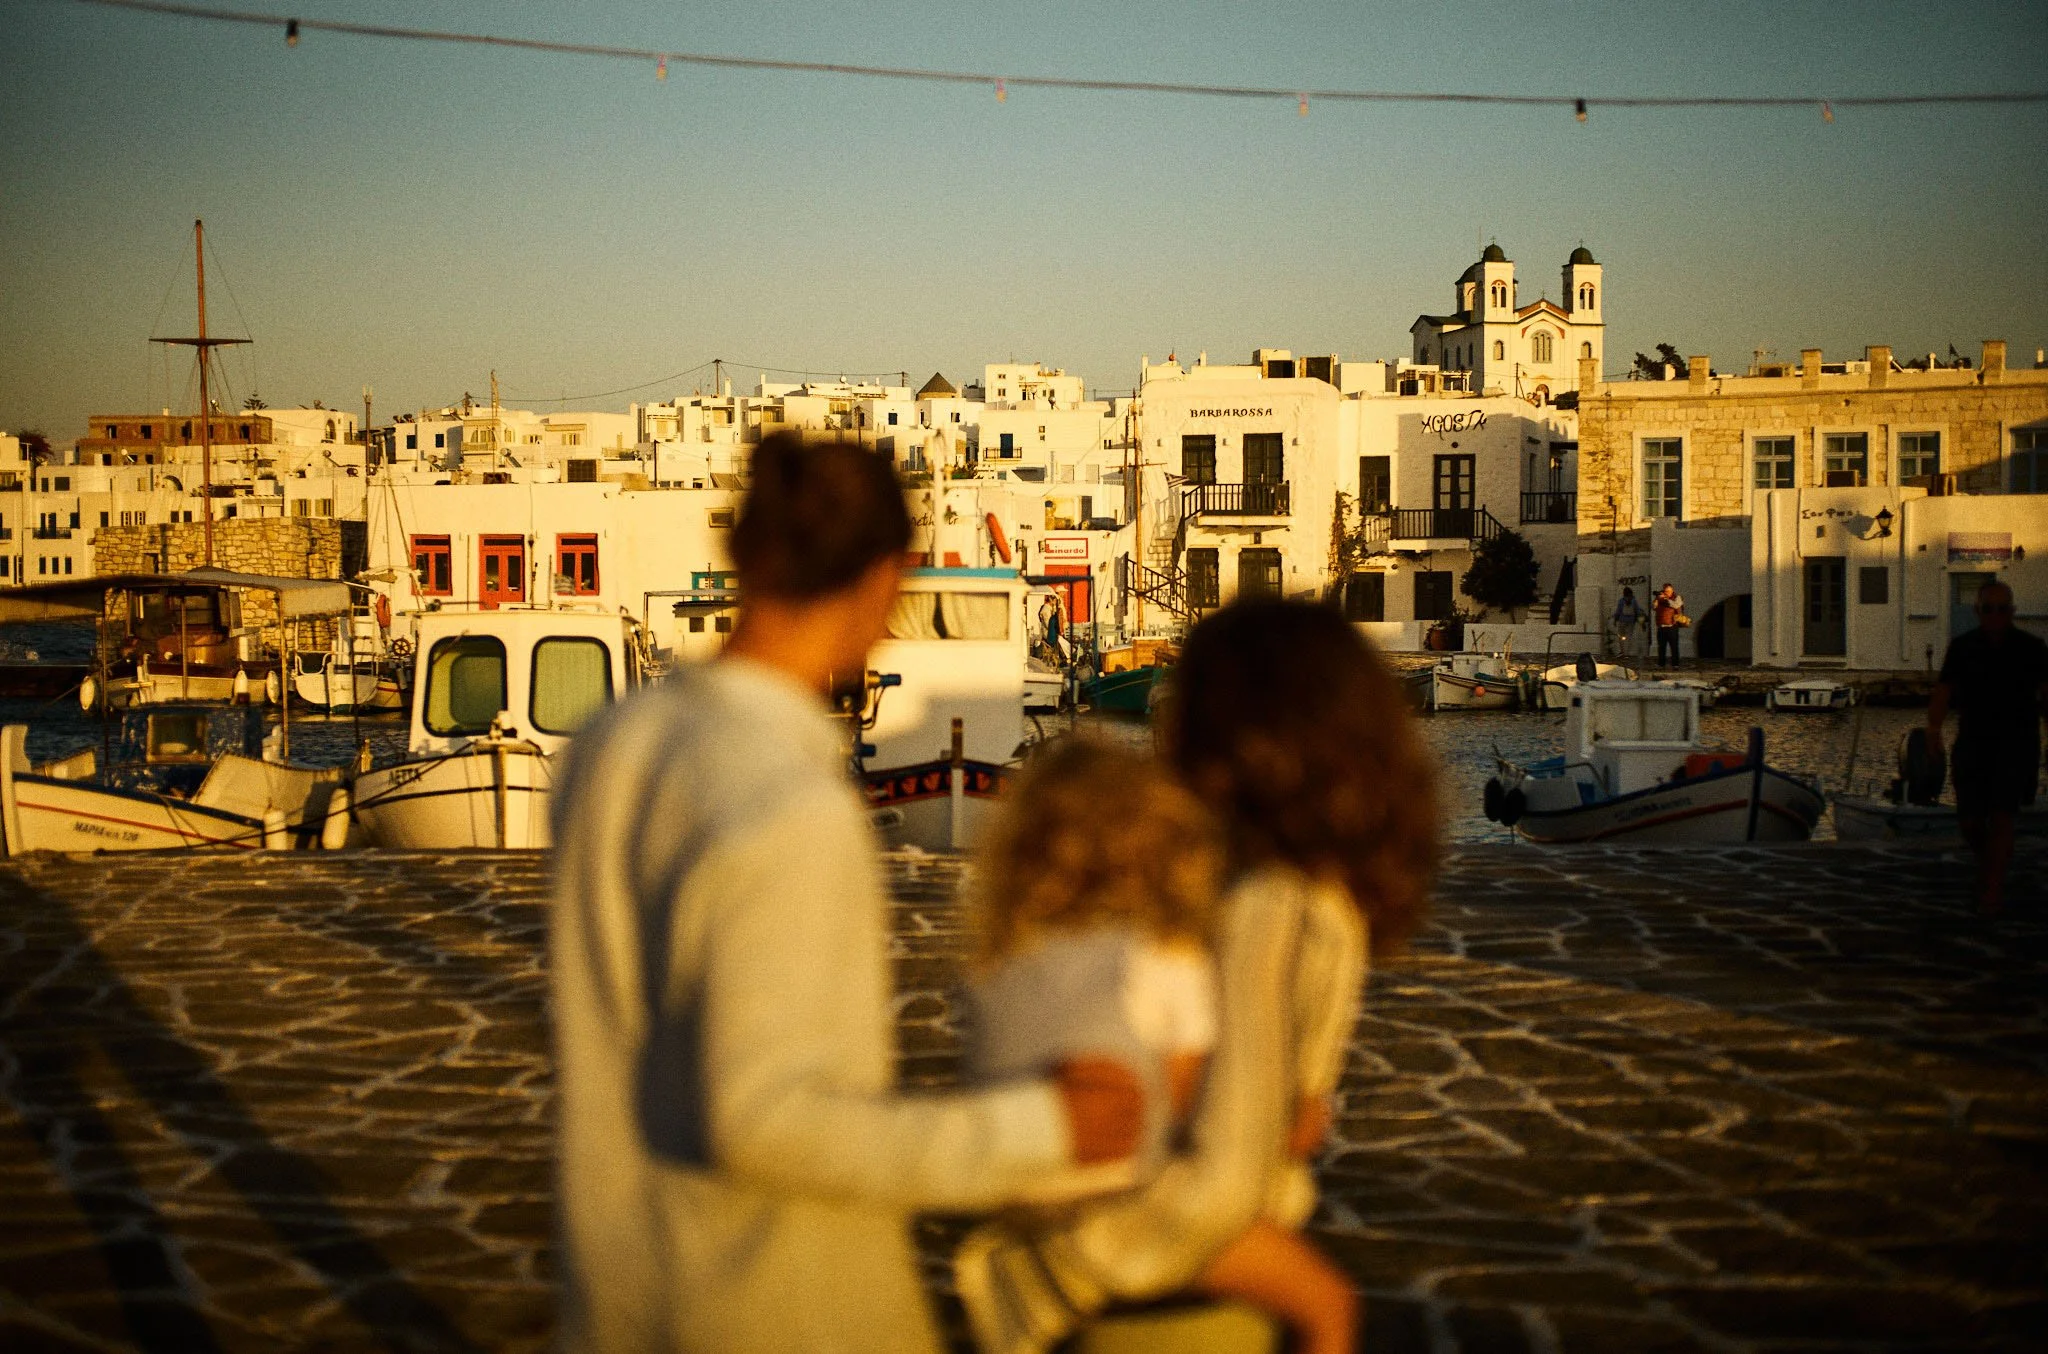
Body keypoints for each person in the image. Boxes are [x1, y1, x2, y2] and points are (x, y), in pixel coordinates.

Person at [549, 432, 1144, 1354]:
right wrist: (1047, 1128)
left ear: (743, 553)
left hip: (618, 1293)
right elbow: (765, 1121)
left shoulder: (610, 746)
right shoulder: (790, 806)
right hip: (773, 1310)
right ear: (885, 579)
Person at [955, 600, 1441, 1354]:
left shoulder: (1268, 909)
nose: (1163, 718)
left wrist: (1064, 1268)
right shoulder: (1319, 897)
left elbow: (1229, 1162)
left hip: (1169, 1258)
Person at [961, 739, 1355, 1354]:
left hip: (1031, 1206)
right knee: (1328, 1306)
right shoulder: (1159, 961)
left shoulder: (1001, 968)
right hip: (1134, 1213)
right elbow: (1184, 1101)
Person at [1926, 579, 2048, 917]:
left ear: (2012, 612)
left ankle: (1991, 891)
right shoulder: (1963, 647)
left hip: (2017, 743)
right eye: (1989, 608)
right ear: (1978, 611)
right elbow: (1943, 692)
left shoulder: (2032, 648)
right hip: (1973, 743)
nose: (1996, 615)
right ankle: (1991, 864)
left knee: (2003, 813)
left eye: (2002, 609)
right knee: (1970, 821)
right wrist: (1932, 729)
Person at [1652, 582, 1685, 667]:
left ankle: (1675, 664)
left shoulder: (1677, 597)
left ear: (1672, 590)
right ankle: (1661, 663)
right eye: (1666, 591)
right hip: (1661, 626)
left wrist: (1666, 599)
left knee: (1674, 646)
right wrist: (1657, 599)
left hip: (1672, 626)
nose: (1667, 593)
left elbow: (1676, 605)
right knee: (1661, 647)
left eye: (1669, 591)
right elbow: (1654, 607)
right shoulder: (1660, 598)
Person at [1611, 586, 1643, 660]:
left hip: (1622, 621)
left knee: (1621, 637)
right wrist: (1641, 622)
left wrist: (1615, 620)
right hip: (1631, 621)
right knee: (1628, 638)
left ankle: (1622, 652)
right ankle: (1627, 653)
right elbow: (1638, 612)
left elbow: (1618, 611)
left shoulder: (1621, 601)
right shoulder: (1634, 601)